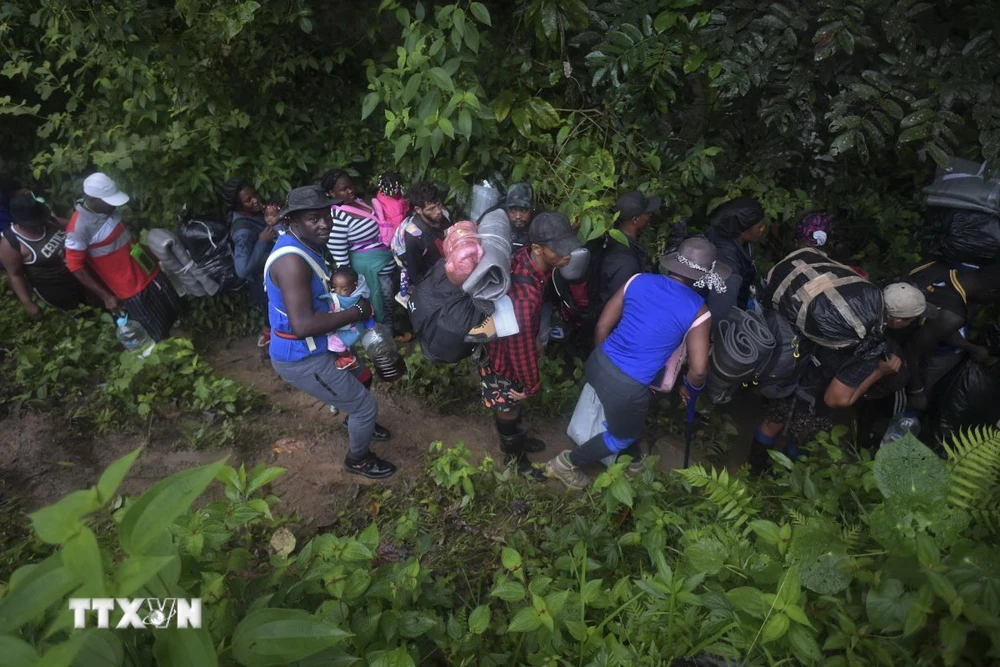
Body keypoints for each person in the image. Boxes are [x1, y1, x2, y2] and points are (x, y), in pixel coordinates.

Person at [547, 237, 727, 490]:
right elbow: (698, 370)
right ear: (703, 277)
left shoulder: (638, 280)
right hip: (629, 386)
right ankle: (565, 463)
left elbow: (602, 325)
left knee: (624, 415)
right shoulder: (699, 310)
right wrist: (690, 388)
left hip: (598, 362)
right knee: (622, 435)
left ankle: (632, 462)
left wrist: (608, 366)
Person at [264, 185, 395, 479]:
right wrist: (357, 312)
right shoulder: (291, 262)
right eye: (314, 218)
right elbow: (303, 326)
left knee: (363, 376)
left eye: (326, 215)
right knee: (365, 407)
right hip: (302, 355)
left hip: (323, 343)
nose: (324, 224)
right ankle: (358, 458)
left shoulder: (306, 244)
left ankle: (355, 422)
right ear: (292, 221)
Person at [746, 283, 937, 473]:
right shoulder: (870, 347)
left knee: (771, 425)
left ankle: (753, 470)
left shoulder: (847, 309)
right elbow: (836, 399)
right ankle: (776, 481)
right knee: (800, 442)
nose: (910, 324)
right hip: (815, 401)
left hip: (794, 375)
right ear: (896, 320)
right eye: (910, 320)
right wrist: (880, 372)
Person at [479, 212, 582, 480]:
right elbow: (519, 347)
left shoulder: (527, 261)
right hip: (502, 359)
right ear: (537, 248)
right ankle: (515, 458)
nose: (568, 254)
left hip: (507, 344)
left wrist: (535, 335)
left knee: (510, 405)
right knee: (508, 405)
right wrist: (531, 385)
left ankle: (516, 441)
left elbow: (526, 329)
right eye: (559, 249)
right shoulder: (525, 294)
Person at [65, 173, 182, 341]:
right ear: (92, 199)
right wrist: (106, 296)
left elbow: (126, 240)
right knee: (158, 332)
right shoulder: (78, 229)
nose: (113, 205)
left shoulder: (108, 210)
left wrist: (153, 254)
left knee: (175, 311)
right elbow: (75, 266)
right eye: (108, 201)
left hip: (150, 271)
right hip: (131, 288)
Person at [903, 263, 1000, 411]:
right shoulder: (952, 316)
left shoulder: (936, 266)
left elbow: (936, 327)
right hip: (895, 349)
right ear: (992, 292)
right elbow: (911, 351)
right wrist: (916, 392)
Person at [320, 169, 397, 325]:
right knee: (382, 302)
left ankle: (392, 331)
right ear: (330, 193)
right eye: (344, 189)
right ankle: (385, 338)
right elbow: (342, 261)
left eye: (351, 186)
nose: (350, 191)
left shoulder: (358, 202)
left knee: (390, 300)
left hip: (385, 262)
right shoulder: (336, 219)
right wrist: (354, 286)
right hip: (370, 271)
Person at [0, 193, 93, 318]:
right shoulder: (11, 243)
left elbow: (74, 226)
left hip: (79, 273)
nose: (38, 226)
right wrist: (28, 303)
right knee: (83, 315)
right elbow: (15, 275)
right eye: (33, 224)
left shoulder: (48, 221)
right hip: (55, 287)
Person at [220, 177, 280, 346]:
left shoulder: (255, 214)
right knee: (272, 316)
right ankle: (269, 345)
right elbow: (242, 269)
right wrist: (262, 241)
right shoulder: (243, 231)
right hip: (262, 283)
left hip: (272, 277)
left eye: (254, 195)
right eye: (248, 200)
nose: (255, 200)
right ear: (239, 206)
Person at [593, 190, 661, 311]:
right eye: (647, 213)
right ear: (635, 219)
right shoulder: (626, 260)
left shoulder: (612, 238)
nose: (649, 217)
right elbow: (618, 304)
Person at [704, 197, 766, 320]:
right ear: (743, 231)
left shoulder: (727, 234)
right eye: (758, 227)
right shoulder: (727, 266)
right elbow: (721, 311)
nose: (763, 229)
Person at [391, 181, 452, 294]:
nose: (438, 211)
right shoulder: (414, 238)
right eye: (431, 209)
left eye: (438, 204)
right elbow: (416, 276)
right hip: (430, 274)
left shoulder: (444, 213)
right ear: (418, 210)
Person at [324, 266, 369, 371]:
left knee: (333, 343)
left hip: (351, 329)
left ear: (354, 286)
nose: (338, 291)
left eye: (344, 289)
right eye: (334, 287)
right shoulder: (350, 294)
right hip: (348, 327)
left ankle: (348, 358)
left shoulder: (351, 299)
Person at [373, 171, 410, 245]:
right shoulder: (395, 209)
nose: (400, 191)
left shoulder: (380, 194)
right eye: (398, 189)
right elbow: (399, 227)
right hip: (394, 235)